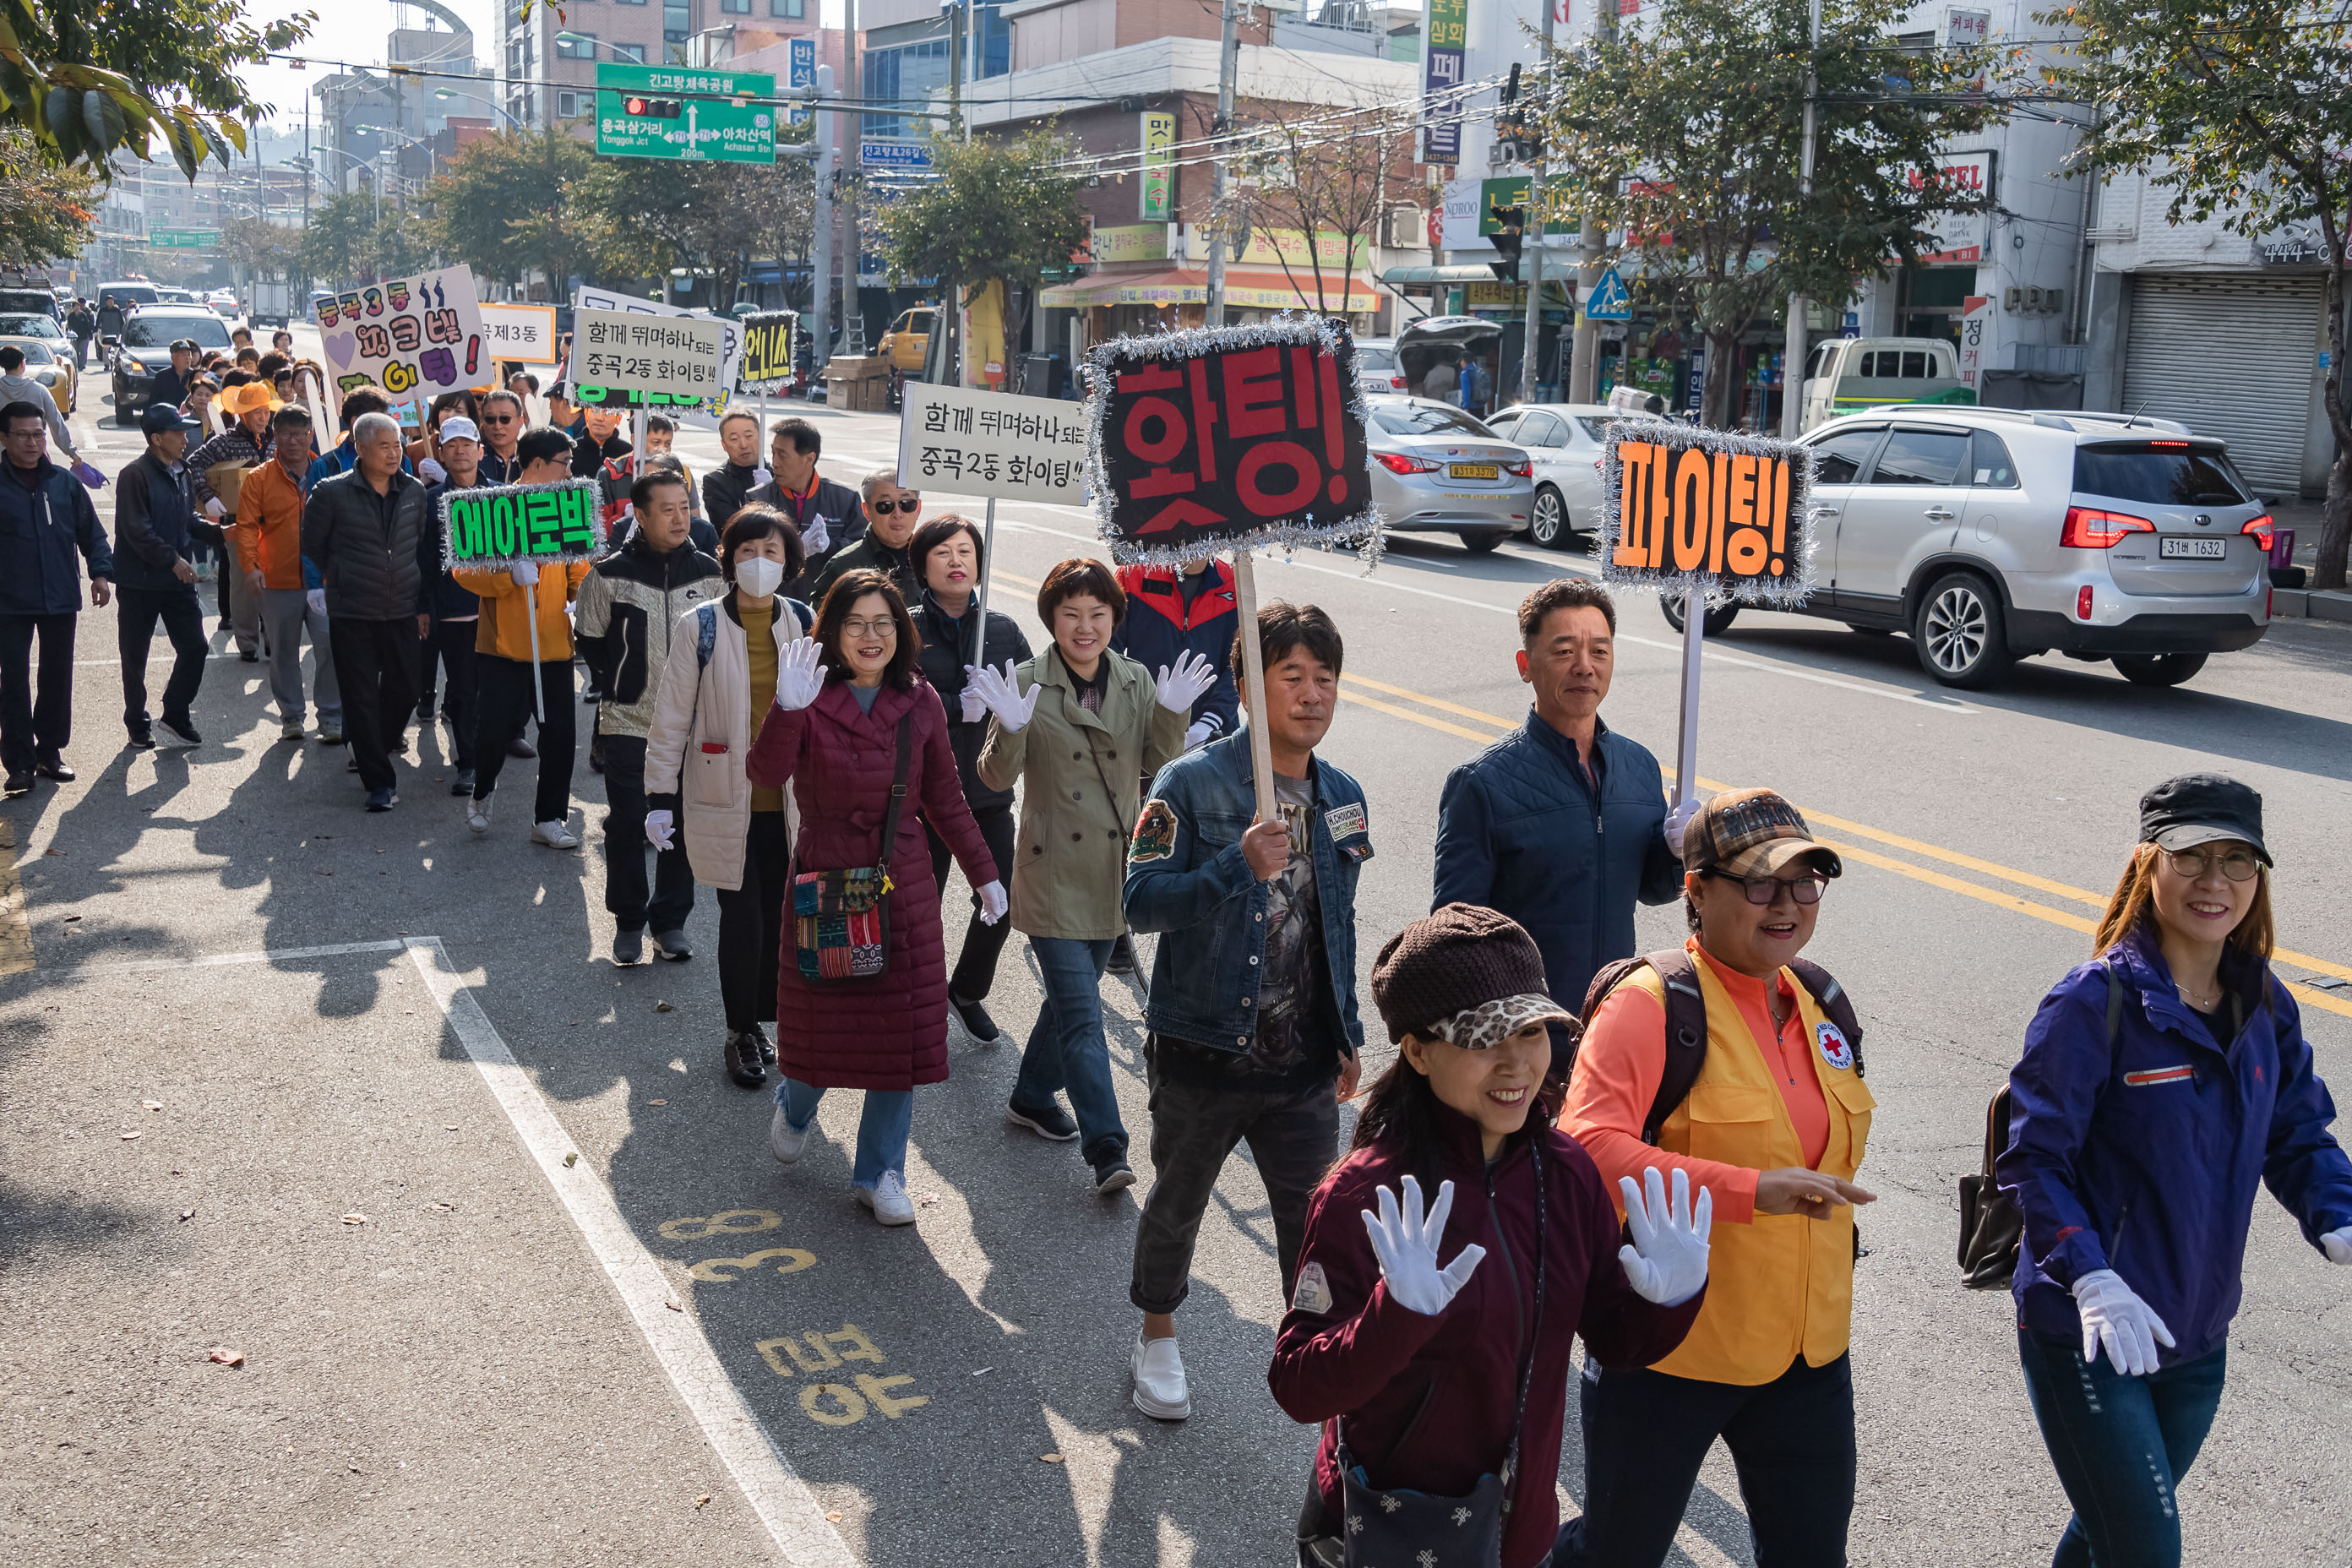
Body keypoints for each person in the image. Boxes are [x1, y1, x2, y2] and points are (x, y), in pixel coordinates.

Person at [1271, 903, 1711, 1568]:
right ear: (1418, 1052)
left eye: (1532, 1031)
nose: (1517, 1063)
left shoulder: (1566, 1175)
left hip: (1516, 1536)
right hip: (1384, 1531)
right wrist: (1394, 1319)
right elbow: (1299, 1387)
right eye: (1484, 1039)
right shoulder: (1366, 1195)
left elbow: (1618, 1342)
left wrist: (1671, 1299)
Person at [1998, 774, 2352, 1568]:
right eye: (2192, 857)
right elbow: (2032, 1161)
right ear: (2148, 865)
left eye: (2238, 862)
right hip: (2093, 1330)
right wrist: (2091, 1279)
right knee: (2145, 1552)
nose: (2214, 882)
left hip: (2198, 1332)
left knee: (2105, 1537)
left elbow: (2298, 1132)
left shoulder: (2262, 999)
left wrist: (2339, 1211)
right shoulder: (2094, 1003)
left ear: (2259, 880)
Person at [1555, 788, 1876, 1568]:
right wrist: (1747, 1189)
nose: (1788, 904)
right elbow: (1586, 1145)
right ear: (1696, 890)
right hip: (1672, 1345)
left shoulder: (1821, 1000)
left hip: (1807, 1350)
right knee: (1616, 1554)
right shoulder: (1650, 1004)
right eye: (1760, 883)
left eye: (1806, 882)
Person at [1121, 600, 1368, 1423]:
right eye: (1291, 676)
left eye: (1324, 678)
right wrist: (1235, 863)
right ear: (1247, 685)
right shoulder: (1187, 783)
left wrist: (1347, 1031)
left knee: (1315, 1222)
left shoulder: (1345, 796)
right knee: (1178, 1201)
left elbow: (1341, 920)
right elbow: (1141, 900)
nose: (1311, 694)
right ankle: (1157, 1330)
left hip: (1300, 1062)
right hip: (1202, 1048)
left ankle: (1316, 1357)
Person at [743, 569, 1007, 1227]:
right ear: (832, 631)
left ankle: (881, 1172)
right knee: (819, 1036)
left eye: (883, 623)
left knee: (900, 1041)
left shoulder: (920, 702)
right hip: (826, 882)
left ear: (901, 632)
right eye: (856, 623)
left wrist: (985, 873)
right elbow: (764, 774)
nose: (870, 636)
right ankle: (795, 1106)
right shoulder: (808, 694)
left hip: (902, 885)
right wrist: (786, 708)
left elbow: (945, 796)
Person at [970, 559, 1204, 1195]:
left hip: (1113, 873)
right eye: (1071, 613)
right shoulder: (1024, 681)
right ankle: (1108, 1148)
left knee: (1069, 1004)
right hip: (1050, 874)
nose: (1085, 626)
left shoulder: (1133, 680)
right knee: (1084, 1016)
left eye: (1097, 614)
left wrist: (1173, 715)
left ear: (1114, 619)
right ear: (1052, 618)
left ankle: (1028, 1095)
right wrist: (1011, 727)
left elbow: (1160, 764)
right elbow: (993, 778)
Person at [1434, 579, 1688, 1018]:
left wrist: (1679, 853)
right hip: (1524, 1031)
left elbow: (1653, 888)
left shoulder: (1640, 767)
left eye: (1600, 652)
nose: (1585, 667)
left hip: (1611, 1022)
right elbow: (1455, 931)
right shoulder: (1481, 783)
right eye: (1564, 650)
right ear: (1525, 664)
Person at [642, 507, 816, 1087]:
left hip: (793, 803)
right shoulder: (703, 625)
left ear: (790, 561)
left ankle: (769, 1022)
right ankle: (741, 1030)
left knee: (782, 919)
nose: (759, 563)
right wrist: (659, 797)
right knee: (742, 919)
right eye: (746, 552)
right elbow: (671, 718)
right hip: (724, 799)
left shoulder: (804, 621)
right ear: (728, 559)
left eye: (771, 552)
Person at [574, 467, 724, 965]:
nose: (680, 517)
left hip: (693, 725)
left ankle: (670, 922)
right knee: (627, 824)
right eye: (667, 509)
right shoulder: (607, 574)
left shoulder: (709, 572)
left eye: (685, 506)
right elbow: (592, 642)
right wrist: (626, 683)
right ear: (639, 515)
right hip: (627, 722)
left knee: (681, 821)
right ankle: (628, 921)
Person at [907, 514, 1031, 1044]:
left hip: (986, 794)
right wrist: (955, 705)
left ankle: (966, 991)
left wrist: (1012, 712)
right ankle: (913, 1001)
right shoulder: (903, 625)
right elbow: (888, 703)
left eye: (966, 552)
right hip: (920, 800)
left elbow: (1034, 697)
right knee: (917, 912)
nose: (956, 562)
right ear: (922, 565)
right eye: (943, 553)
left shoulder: (1001, 630)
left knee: (1001, 902)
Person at [453, 427, 592, 844]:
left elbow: (578, 567)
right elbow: (462, 570)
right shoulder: (492, 507)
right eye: (564, 463)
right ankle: (482, 791)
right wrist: (506, 577)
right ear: (536, 463)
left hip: (553, 644)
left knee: (560, 736)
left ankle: (549, 818)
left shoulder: (569, 507)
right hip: (501, 647)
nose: (570, 472)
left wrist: (579, 598)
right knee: (493, 731)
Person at [301, 411, 432, 812]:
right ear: (360, 449)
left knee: (409, 686)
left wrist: (421, 605)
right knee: (358, 694)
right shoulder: (330, 491)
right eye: (384, 446)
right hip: (353, 609)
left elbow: (419, 547)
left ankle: (371, 739)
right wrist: (339, 576)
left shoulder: (413, 491)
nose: (394, 454)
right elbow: (313, 545)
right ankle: (379, 783)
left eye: (397, 445)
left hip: (402, 607)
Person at [0, 400, 112, 793]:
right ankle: (18, 763)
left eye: (38, 434)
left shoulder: (63, 484)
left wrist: (100, 573)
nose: (33, 443)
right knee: (13, 681)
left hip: (60, 595)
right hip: (9, 601)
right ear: (4, 438)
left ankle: (49, 751)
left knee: (56, 676)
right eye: (24, 435)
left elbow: (92, 533)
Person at [236, 405, 340, 745]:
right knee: (282, 652)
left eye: (299, 434)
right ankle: (292, 716)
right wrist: (250, 567)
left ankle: (331, 716)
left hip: (324, 582)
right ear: (275, 437)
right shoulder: (258, 479)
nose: (293, 441)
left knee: (330, 647)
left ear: (310, 434)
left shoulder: (327, 474)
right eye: (285, 434)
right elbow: (247, 527)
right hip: (276, 581)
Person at [111, 403, 213, 749]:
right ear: (156, 438)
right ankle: (137, 721)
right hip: (139, 582)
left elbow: (187, 521)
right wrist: (172, 559)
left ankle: (175, 713)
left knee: (196, 647)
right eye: (178, 433)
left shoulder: (181, 470)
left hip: (176, 580)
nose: (186, 438)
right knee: (134, 656)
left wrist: (221, 531)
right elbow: (137, 530)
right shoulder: (134, 475)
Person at [190, 381, 285, 664]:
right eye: (256, 412)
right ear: (242, 414)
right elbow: (193, 464)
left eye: (266, 412)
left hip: (275, 523)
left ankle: (272, 637)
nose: (262, 417)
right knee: (243, 584)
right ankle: (247, 641)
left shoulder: (278, 439)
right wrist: (207, 497)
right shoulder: (224, 441)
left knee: (275, 583)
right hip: (238, 522)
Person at [418, 416, 487, 794]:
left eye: (467, 444)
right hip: (452, 610)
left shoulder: (500, 495)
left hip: (495, 609)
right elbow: (424, 560)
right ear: (441, 453)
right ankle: (469, 762)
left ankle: (488, 751)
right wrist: (424, 607)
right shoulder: (429, 501)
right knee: (462, 689)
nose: (460, 451)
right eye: (452, 445)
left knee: (490, 688)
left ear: (480, 450)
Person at [748, 416, 863, 596]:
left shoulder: (844, 498)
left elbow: (860, 552)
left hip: (826, 604)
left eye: (782, 455)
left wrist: (829, 546)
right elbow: (749, 557)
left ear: (809, 459)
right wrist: (795, 550)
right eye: (773, 453)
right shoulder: (758, 498)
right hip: (775, 602)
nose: (775, 463)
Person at [806, 470, 921, 604]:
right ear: (867, 511)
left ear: (918, 508)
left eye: (907, 504)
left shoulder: (932, 560)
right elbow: (820, 622)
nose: (897, 514)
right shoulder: (843, 567)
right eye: (885, 506)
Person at [0, 346, 91, 471]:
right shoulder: (39, 391)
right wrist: (71, 452)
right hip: (35, 459)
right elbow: (56, 422)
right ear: (22, 364)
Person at [701, 409, 767, 525]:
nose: (743, 445)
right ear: (724, 445)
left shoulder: (778, 474)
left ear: (761, 436)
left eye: (749, 436)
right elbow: (732, 526)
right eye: (734, 439)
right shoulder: (715, 481)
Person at [474, 388, 527, 484]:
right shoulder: (474, 461)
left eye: (505, 419)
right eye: (490, 419)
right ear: (483, 421)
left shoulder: (533, 460)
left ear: (520, 421)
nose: (497, 426)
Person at [571, 401, 630, 479]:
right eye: (594, 411)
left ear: (618, 419)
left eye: (607, 413)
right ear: (586, 415)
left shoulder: (628, 453)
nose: (599, 418)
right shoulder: (571, 451)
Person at [148, 339, 197, 414]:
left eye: (189, 354)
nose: (187, 358)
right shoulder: (162, 377)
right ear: (173, 357)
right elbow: (153, 403)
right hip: (167, 418)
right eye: (183, 355)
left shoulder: (195, 376)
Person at [67, 300, 94, 369]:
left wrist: (90, 335)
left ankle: (82, 364)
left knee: (83, 350)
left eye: (78, 306)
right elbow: (69, 327)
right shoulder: (70, 316)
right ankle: (77, 364)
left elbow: (88, 325)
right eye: (75, 306)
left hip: (84, 337)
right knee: (76, 351)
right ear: (73, 308)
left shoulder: (83, 315)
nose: (77, 308)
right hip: (74, 337)